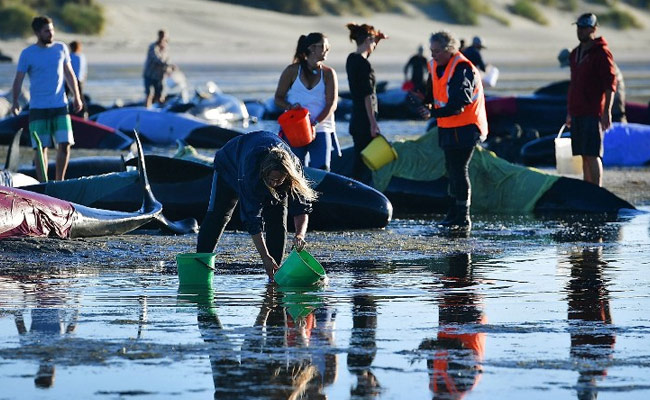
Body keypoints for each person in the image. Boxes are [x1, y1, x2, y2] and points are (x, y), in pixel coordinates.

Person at [196, 130, 318, 280]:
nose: (274, 183)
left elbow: (302, 207)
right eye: (272, 180)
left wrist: (300, 235)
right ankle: (200, 269)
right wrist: (265, 257)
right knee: (219, 215)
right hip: (230, 164)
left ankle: (274, 276)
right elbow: (252, 219)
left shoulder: (293, 169)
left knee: (278, 220)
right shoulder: (251, 171)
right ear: (264, 173)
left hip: (267, 165)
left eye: (278, 180)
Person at [419, 30, 488, 231]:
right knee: (451, 168)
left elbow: (461, 102)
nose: (433, 56)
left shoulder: (463, 68)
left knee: (459, 168)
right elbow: (432, 94)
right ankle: (453, 211)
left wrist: (433, 114)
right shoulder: (433, 65)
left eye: (437, 51)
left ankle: (463, 216)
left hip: (467, 126)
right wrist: (426, 105)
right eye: (431, 51)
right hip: (447, 125)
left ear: (450, 49)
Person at [10, 16, 82, 182]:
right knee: (40, 147)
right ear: (37, 33)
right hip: (38, 107)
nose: (51, 33)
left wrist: (77, 97)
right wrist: (14, 102)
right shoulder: (28, 54)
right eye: (46, 31)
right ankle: (44, 185)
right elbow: (18, 79)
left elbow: (69, 74)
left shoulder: (61, 48)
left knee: (65, 144)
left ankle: (59, 181)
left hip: (60, 105)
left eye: (52, 29)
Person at [274, 32, 340, 171]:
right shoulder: (292, 70)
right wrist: (290, 106)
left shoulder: (328, 73)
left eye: (328, 46)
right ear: (311, 48)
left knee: (322, 169)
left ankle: (320, 192)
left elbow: (331, 104)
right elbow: (278, 98)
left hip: (320, 128)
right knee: (295, 170)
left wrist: (314, 124)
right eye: (323, 46)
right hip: (295, 129)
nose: (327, 49)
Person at [566, 13, 617, 187]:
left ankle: (597, 190)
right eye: (579, 27)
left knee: (593, 154)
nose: (580, 31)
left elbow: (610, 84)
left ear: (594, 29)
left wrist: (606, 112)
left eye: (584, 27)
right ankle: (588, 188)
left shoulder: (602, 53)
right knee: (583, 154)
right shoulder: (574, 54)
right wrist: (570, 112)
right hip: (577, 111)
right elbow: (573, 85)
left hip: (592, 111)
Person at [345, 23, 388, 183]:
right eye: (373, 41)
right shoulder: (364, 65)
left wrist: (377, 38)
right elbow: (368, 96)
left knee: (359, 157)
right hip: (364, 120)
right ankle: (359, 191)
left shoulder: (352, 59)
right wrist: (373, 123)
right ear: (367, 40)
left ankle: (356, 189)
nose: (375, 45)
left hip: (356, 118)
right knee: (363, 164)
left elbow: (366, 52)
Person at [559, 47, 626, 123]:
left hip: (614, 93)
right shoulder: (583, 59)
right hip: (611, 92)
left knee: (617, 115)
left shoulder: (594, 58)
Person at [143, 29, 175, 108]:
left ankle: (158, 110)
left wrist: (170, 68)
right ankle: (147, 109)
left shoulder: (166, 48)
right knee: (149, 94)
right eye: (161, 36)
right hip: (149, 74)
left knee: (160, 95)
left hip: (159, 76)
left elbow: (168, 59)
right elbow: (156, 59)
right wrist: (168, 64)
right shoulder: (153, 47)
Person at [68, 40, 88, 117]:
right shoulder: (82, 56)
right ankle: (84, 112)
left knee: (66, 95)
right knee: (80, 96)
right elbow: (84, 69)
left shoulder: (70, 56)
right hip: (80, 79)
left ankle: (65, 111)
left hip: (70, 79)